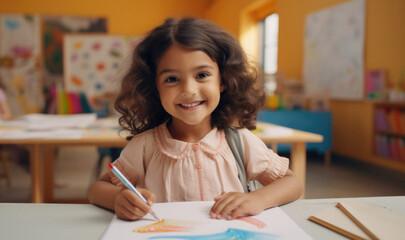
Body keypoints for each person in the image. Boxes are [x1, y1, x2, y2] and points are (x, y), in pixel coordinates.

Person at [88, 18, 303, 221]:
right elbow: (97, 189)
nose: (189, 90)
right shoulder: (145, 146)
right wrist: (118, 199)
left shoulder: (240, 141)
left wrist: (258, 199)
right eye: (172, 79)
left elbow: (292, 182)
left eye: (202, 75)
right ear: (155, 88)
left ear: (223, 80)